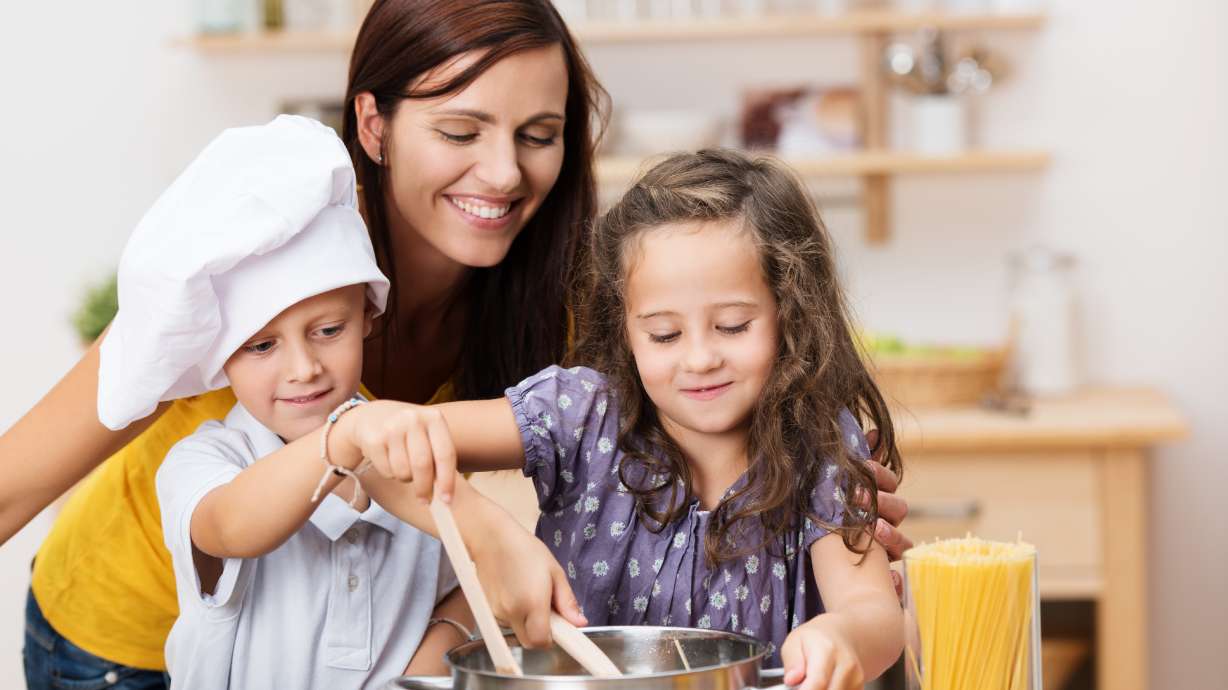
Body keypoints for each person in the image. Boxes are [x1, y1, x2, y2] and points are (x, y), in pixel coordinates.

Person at [2, 2, 911, 687]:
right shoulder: (265, 256)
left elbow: (690, 442)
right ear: (373, 125)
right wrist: (475, 524)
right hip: (130, 636)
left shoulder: (565, 299)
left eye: (538, 135)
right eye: (460, 130)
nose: (506, 172)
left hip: (359, 661)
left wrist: (809, 490)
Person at [380, 149, 907, 690]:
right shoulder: (581, 415)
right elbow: (379, 441)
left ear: (789, 313)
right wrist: (486, 533)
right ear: (625, 329)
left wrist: (844, 636)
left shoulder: (817, 444)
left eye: (731, 326)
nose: (700, 358)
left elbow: (872, 609)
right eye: (664, 335)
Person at [99, 114, 548, 688]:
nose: (303, 368)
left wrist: (437, 648)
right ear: (220, 356)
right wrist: (344, 436)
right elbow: (231, 527)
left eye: (328, 330)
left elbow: (471, 572)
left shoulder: (407, 448)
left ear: (367, 314)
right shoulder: (205, 464)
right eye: (261, 345)